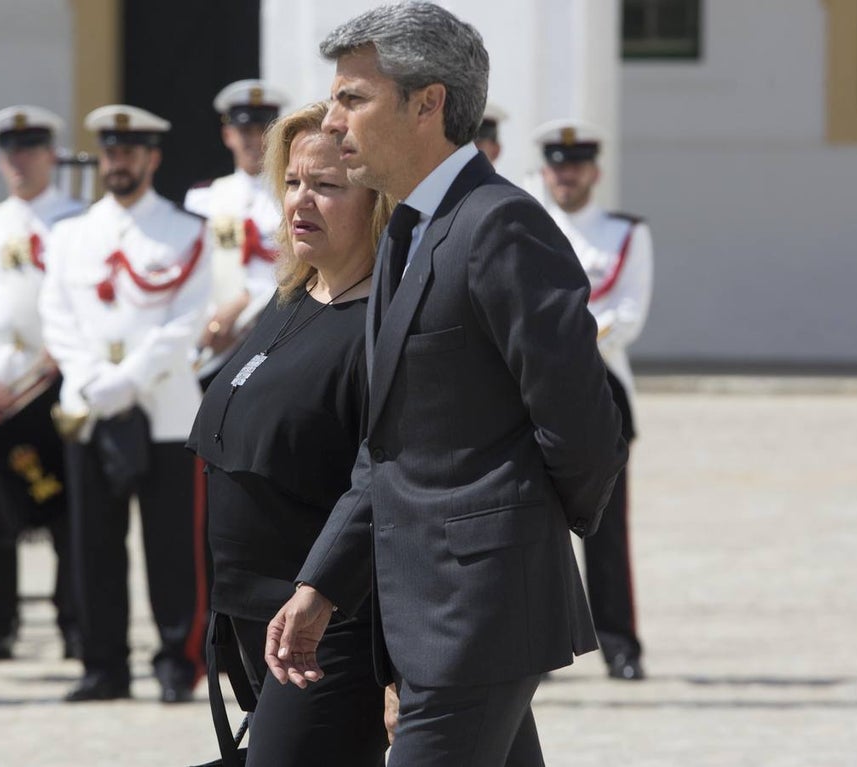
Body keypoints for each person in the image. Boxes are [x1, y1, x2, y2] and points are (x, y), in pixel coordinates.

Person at [264, 5, 627, 766]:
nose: (331, 123)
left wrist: (507, 544)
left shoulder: (500, 225)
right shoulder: (408, 231)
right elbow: (390, 444)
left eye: (352, 99)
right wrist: (322, 582)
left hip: (475, 614)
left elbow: (584, 426)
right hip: (429, 610)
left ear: (427, 103)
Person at [189, 101, 393, 766]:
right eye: (293, 182)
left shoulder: (382, 329)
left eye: (328, 186)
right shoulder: (293, 298)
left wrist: (398, 672)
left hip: (331, 631)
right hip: (257, 626)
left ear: (379, 200)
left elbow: (391, 500)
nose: (301, 201)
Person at [39, 105, 211, 703]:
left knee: (171, 546)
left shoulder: (187, 231)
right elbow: (56, 318)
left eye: (132, 151)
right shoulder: (68, 235)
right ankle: (103, 665)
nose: (120, 161)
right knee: (93, 546)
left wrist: (129, 380)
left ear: (153, 158)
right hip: (88, 410)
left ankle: (175, 661)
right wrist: (92, 379)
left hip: (161, 408)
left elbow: (186, 321)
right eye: (111, 150)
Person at [0, 105, 86, 662]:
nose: (19, 161)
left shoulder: (77, 218)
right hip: (3, 389)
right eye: (10, 151)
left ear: (49, 155)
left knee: (66, 512)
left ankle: (75, 624)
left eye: (30, 149)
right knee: (1, 515)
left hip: (58, 381)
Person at [535, 118, 653, 680]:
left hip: (603, 380)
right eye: (557, 164)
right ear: (544, 170)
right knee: (533, 522)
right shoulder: (527, 225)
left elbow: (629, 316)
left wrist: (570, 334)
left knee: (607, 524)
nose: (566, 174)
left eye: (576, 164)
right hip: (535, 384)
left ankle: (620, 644)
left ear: (595, 172)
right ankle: (537, 646)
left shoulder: (625, 233)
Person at [184, 79, 288, 386]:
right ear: (228, 135)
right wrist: (211, 323)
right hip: (215, 342)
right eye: (245, 131)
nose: (255, 141)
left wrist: (247, 301)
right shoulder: (203, 198)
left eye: (263, 131)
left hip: (276, 332)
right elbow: (193, 272)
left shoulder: (292, 194)